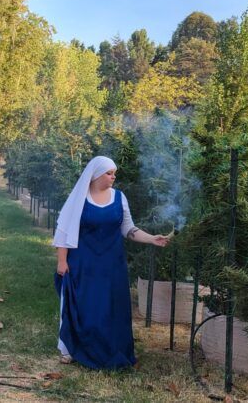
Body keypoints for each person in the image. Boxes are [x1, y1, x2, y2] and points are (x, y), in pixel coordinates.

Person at [53, 156, 170, 370]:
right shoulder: (80, 197)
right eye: (109, 173)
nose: (113, 177)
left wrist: (152, 238)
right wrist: (62, 261)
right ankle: (71, 349)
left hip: (112, 264)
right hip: (83, 263)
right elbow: (65, 230)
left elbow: (128, 229)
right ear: (96, 175)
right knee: (82, 305)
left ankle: (110, 348)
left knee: (110, 307)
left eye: (114, 173)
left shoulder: (119, 198)